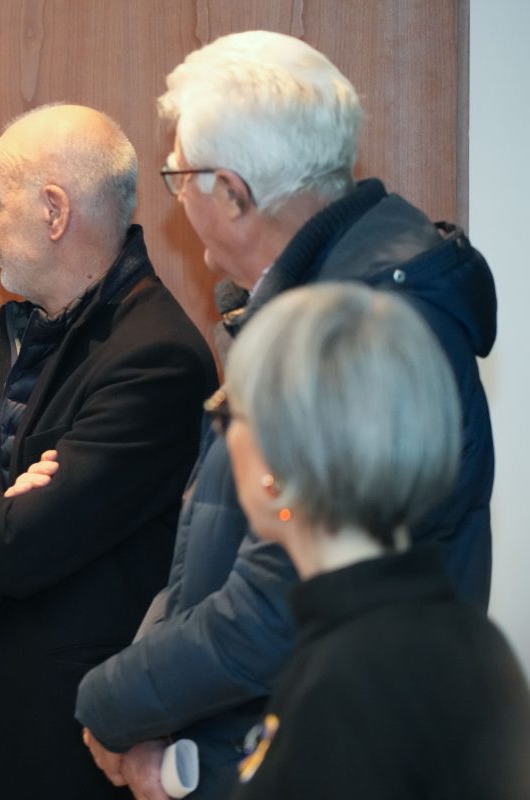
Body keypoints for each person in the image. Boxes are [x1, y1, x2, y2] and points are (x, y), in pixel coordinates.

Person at [76, 30, 497, 799]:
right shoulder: (309, 302)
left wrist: (112, 705)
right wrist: (145, 705)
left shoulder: (360, 323)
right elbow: (214, 551)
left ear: (233, 193)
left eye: (180, 177)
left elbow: (278, 605)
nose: (179, 199)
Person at [0, 103, 217, 799]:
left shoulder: (154, 357)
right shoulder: (28, 331)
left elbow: (13, 552)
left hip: (72, 758)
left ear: (54, 211)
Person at [217, 283, 530, 799]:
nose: (225, 436)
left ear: (278, 464)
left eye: (233, 414)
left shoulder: (347, 683)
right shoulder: (470, 637)